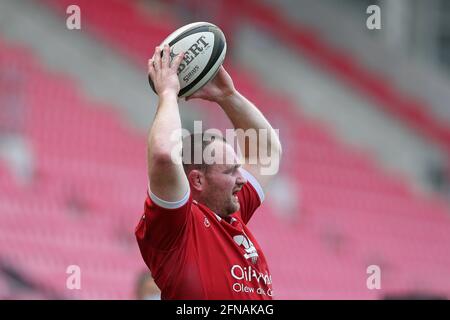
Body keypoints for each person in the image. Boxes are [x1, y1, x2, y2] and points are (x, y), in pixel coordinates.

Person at [135, 44, 282, 299]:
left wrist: (228, 96)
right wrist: (168, 94)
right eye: (230, 172)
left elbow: (267, 152)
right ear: (198, 180)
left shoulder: (231, 216)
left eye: (238, 169)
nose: (241, 179)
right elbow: (163, 155)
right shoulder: (176, 230)